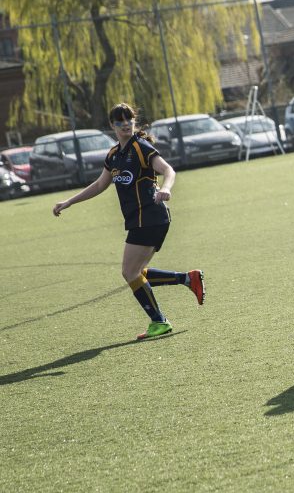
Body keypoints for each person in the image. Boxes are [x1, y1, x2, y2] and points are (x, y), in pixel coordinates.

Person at [52, 103, 205, 340]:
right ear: (112, 125)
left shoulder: (141, 147)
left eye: (129, 120)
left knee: (129, 271)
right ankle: (187, 279)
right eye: (119, 121)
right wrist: (70, 201)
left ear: (134, 122)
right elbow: (100, 185)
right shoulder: (114, 155)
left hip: (151, 216)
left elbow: (168, 170)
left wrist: (165, 188)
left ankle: (159, 321)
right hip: (139, 220)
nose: (125, 124)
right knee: (136, 272)